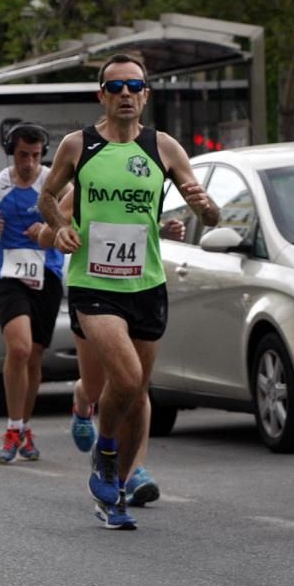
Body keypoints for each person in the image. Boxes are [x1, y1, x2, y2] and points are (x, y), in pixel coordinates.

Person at [38, 53, 219, 530]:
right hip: (92, 283)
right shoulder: (80, 146)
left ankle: (114, 490)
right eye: (114, 87)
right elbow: (46, 198)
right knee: (126, 373)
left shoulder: (165, 147)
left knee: (138, 390)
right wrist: (59, 227)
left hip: (147, 282)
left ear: (145, 95)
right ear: (101, 95)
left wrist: (207, 208)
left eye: (133, 86)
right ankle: (105, 452)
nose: (124, 94)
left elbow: (211, 214)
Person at [33, 188, 186, 506]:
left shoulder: (143, 177)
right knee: (96, 385)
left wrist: (166, 229)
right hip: (94, 292)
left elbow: (140, 229)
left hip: (139, 290)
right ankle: (81, 399)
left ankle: (133, 471)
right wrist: (61, 232)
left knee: (136, 385)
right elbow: (46, 238)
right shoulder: (84, 184)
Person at [0, 122, 66, 464]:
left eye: (36, 156)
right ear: (12, 152)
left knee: (35, 356)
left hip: (48, 275)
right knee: (19, 348)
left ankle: (24, 428)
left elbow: (69, 221)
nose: (29, 163)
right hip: (9, 275)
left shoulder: (52, 185)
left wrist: (51, 228)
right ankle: (11, 428)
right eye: (23, 155)